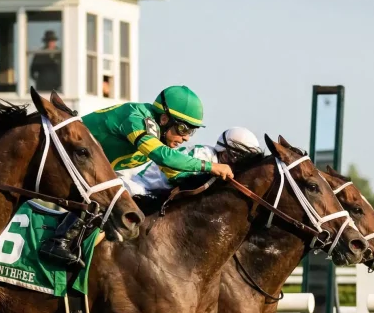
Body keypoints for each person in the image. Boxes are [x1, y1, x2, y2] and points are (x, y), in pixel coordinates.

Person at [39, 85, 234, 266]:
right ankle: (58, 241)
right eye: (183, 129)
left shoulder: (159, 135)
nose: (185, 138)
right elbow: (163, 157)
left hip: (88, 170)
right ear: (164, 119)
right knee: (112, 193)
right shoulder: (136, 118)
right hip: (64, 160)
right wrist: (210, 166)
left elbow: (174, 174)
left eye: (191, 132)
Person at [118, 127, 262, 197]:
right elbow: (184, 182)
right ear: (224, 151)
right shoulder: (203, 154)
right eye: (240, 157)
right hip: (140, 189)